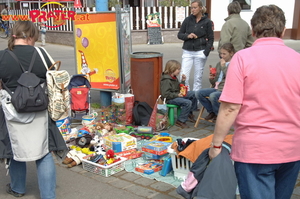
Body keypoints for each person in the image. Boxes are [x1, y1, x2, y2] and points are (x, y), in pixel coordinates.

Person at [209, 5, 300, 199]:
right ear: (283, 31)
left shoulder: (242, 58)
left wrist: (216, 145)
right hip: (292, 149)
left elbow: (230, 107)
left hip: (255, 150)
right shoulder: (297, 59)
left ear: (252, 30)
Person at [0, 21, 67, 199]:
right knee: (44, 152)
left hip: (11, 110)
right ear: (30, 37)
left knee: (15, 149)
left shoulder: (2, 56)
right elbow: (56, 79)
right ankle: (48, 195)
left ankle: (18, 188)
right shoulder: (42, 53)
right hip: (39, 108)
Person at [177, 0, 214, 91]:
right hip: (187, 51)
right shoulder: (188, 20)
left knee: (198, 77)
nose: (192, 10)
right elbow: (180, 34)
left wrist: (206, 52)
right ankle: (187, 96)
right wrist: (187, 36)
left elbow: (211, 38)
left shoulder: (207, 22)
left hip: (200, 51)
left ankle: (195, 99)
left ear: (200, 8)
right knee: (184, 75)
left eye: (195, 8)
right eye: (191, 8)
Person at [195, 43, 235, 121]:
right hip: (217, 87)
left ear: (231, 53)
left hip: (226, 89)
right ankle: (212, 112)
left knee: (213, 96)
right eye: (221, 54)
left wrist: (224, 66)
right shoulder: (219, 64)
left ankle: (218, 115)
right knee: (199, 93)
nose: (222, 56)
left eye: (224, 54)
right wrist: (211, 78)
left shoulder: (234, 63)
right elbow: (215, 81)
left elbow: (231, 76)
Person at [160, 60, 198, 128]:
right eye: (178, 69)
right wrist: (177, 95)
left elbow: (179, 88)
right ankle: (180, 121)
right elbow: (165, 94)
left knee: (194, 94)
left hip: (176, 95)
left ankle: (189, 113)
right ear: (172, 69)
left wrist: (183, 81)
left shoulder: (174, 77)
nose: (179, 71)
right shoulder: (166, 80)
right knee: (187, 102)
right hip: (170, 99)